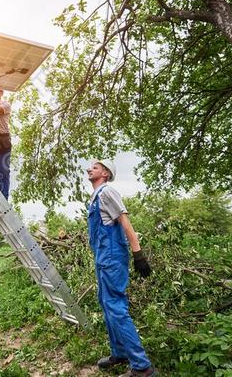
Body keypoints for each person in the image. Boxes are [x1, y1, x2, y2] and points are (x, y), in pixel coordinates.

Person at [86, 160, 156, 377]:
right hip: (103, 258)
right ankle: (121, 352)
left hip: (112, 258)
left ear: (105, 174)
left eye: (95, 168)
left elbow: (125, 222)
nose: (89, 169)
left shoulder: (107, 192)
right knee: (106, 304)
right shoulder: (96, 196)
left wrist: (138, 254)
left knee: (115, 306)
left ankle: (142, 367)